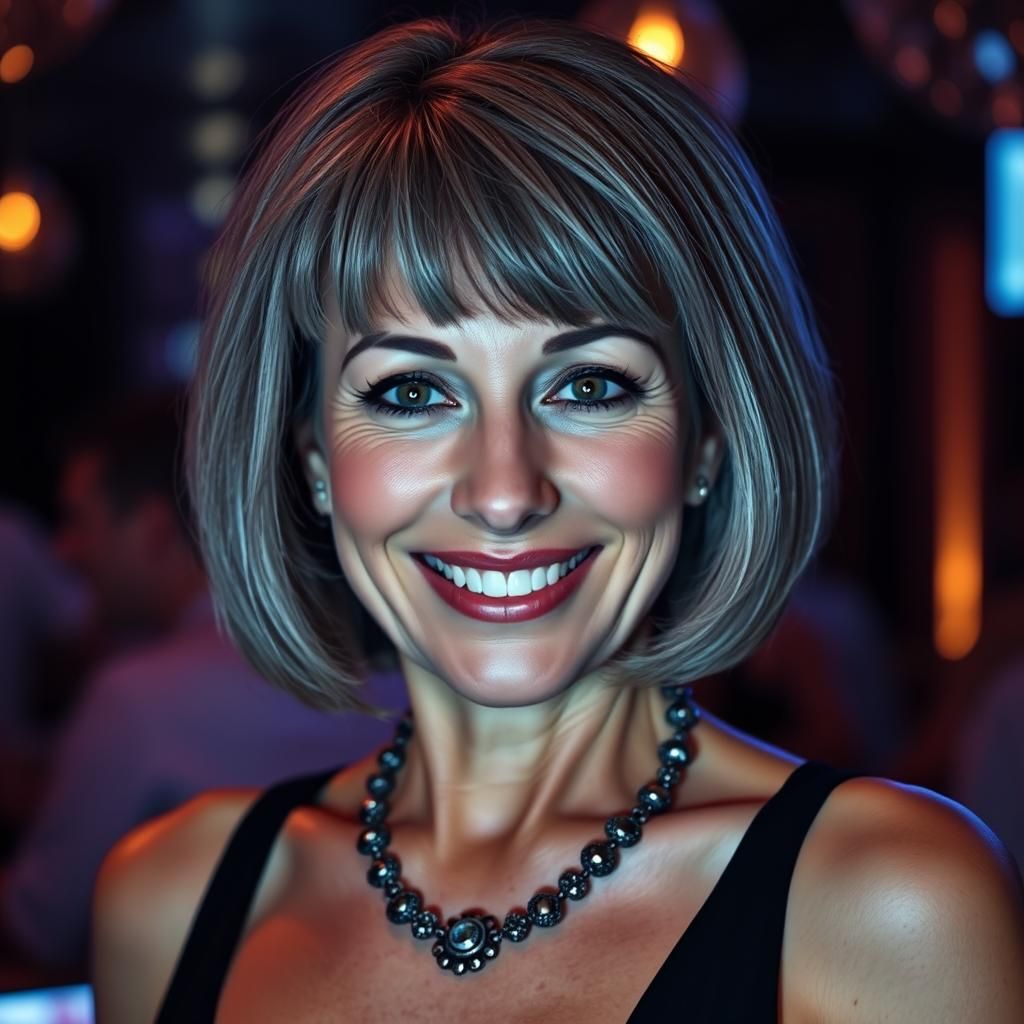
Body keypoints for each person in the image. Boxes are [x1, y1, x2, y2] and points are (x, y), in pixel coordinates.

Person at [92, 17, 1024, 1023]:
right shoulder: (171, 900)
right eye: (411, 393)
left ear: (707, 439)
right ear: (313, 457)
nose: (503, 489)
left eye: (587, 386)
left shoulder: (888, 904)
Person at [0, 396, 408, 971]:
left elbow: (40, 923)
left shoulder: (136, 698)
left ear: (152, 528)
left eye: (77, 519)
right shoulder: (392, 665)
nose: (63, 549)